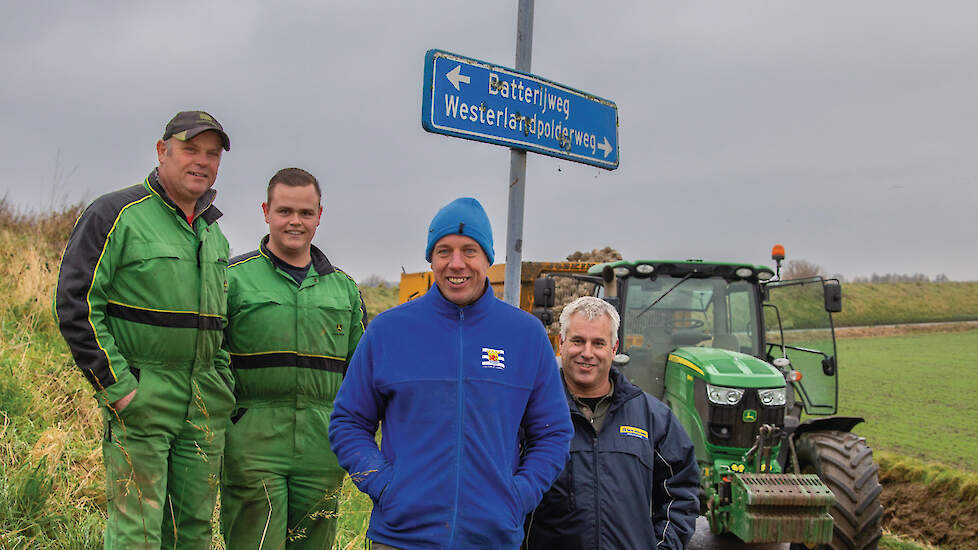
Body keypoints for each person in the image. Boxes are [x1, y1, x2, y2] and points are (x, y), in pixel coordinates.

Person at [329, 197, 573, 550]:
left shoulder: (525, 336)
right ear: (431, 257)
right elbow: (348, 422)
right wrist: (384, 485)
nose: (456, 263)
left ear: (488, 258)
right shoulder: (389, 331)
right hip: (401, 539)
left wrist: (517, 496)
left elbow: (553, 433)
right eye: (444, 251)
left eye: (469, 251)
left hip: (491, 539)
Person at [54, 110, 234, 549]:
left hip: (203, 402)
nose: (202, 162)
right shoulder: (115, 213)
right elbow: (76, 304)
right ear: (162, 151)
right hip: (143, 394)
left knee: (191, 530)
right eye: (191, 149)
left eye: (212, 154)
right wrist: (119, 387)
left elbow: (221, 322)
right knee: (137, 531)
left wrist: (221, 381)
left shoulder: (214, 234)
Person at [220, 167, 367, 549]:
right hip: (252, 444)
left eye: (305, 213)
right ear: (266, 211)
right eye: (285, 211)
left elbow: (361, 376)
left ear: (320, 215)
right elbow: (211, 361)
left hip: (321, 449)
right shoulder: (232, 280)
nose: (295, 221)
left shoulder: (344, 290)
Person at [523, 296, 699, 550]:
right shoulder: (532, 413)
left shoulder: (653, 418)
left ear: (614, 348)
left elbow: (681, 490)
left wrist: (663, 546)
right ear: (561, 343)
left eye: (598, 343)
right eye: (577, 341)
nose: (587, 352)